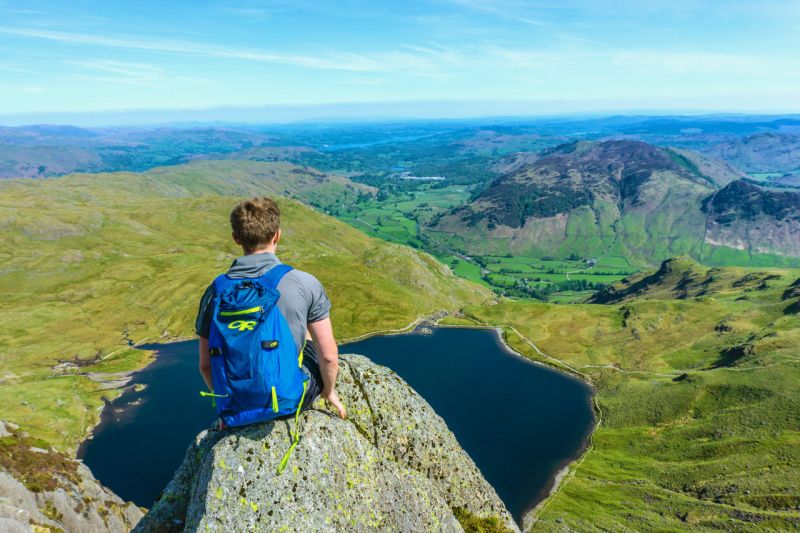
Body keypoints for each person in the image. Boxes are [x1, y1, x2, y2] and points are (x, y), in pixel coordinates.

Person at [195, 196, 346, 422]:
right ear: (277, 235)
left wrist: (228, 404)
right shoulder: (304, 282)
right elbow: (329, 357)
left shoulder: (216, 291)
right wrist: (329, 391)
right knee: (306, 334)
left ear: (236, 238)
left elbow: (206, 366)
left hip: (234, 404)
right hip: (288, 400)